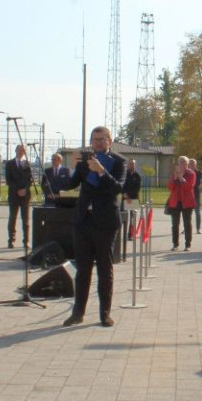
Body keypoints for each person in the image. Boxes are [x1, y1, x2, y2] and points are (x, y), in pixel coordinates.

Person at [62, 127, 126, 328]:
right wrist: (73, 167)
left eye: (101, 139)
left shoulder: (118, 161)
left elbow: (118, 187)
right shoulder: (85, 161)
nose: (97, 143)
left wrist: (101, 171)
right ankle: (78, 313)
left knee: (105, 269)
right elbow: (71, 184)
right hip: (83, 221)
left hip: (105, 222)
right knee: (83, 269)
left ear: (109, 141)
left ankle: (104, 314)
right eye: (94, 140)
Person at [4, 144, 32, 248]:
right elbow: (8, 180)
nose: (21, 152)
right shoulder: (10, 164)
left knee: (26, 219)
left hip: (25, 196)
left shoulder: (26, 163)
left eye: (23, 150)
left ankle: (26, 241)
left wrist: (25, 189)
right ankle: (11, 240)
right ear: (16, 151)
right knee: (13, 218)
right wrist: (17, 190)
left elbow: (30, 179)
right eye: (19, 150)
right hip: (14, 195)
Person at [166, 156, 196, 251]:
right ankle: (175, 244)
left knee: (187, 224)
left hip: (187, 203)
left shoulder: (191, 174)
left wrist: (182, 178)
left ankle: (188, 244)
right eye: (180, 162)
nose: (182, 164)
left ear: (187, 165)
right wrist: (175, 178)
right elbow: (170, 187)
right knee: (175, 224)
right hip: (175, 202)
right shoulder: (175, 174)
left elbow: (189, 187)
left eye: (184, 162)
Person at [189, 158, 202, 234]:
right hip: (188, 195)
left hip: (196, 194)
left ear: (195, 164)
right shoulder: (186, 172)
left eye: (193, 163)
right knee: (188, 212)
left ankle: (198, 228)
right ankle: (187, 228)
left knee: (197, 212)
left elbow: (197, 183)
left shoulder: (199, 173)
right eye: (190, 163)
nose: (191, 165)